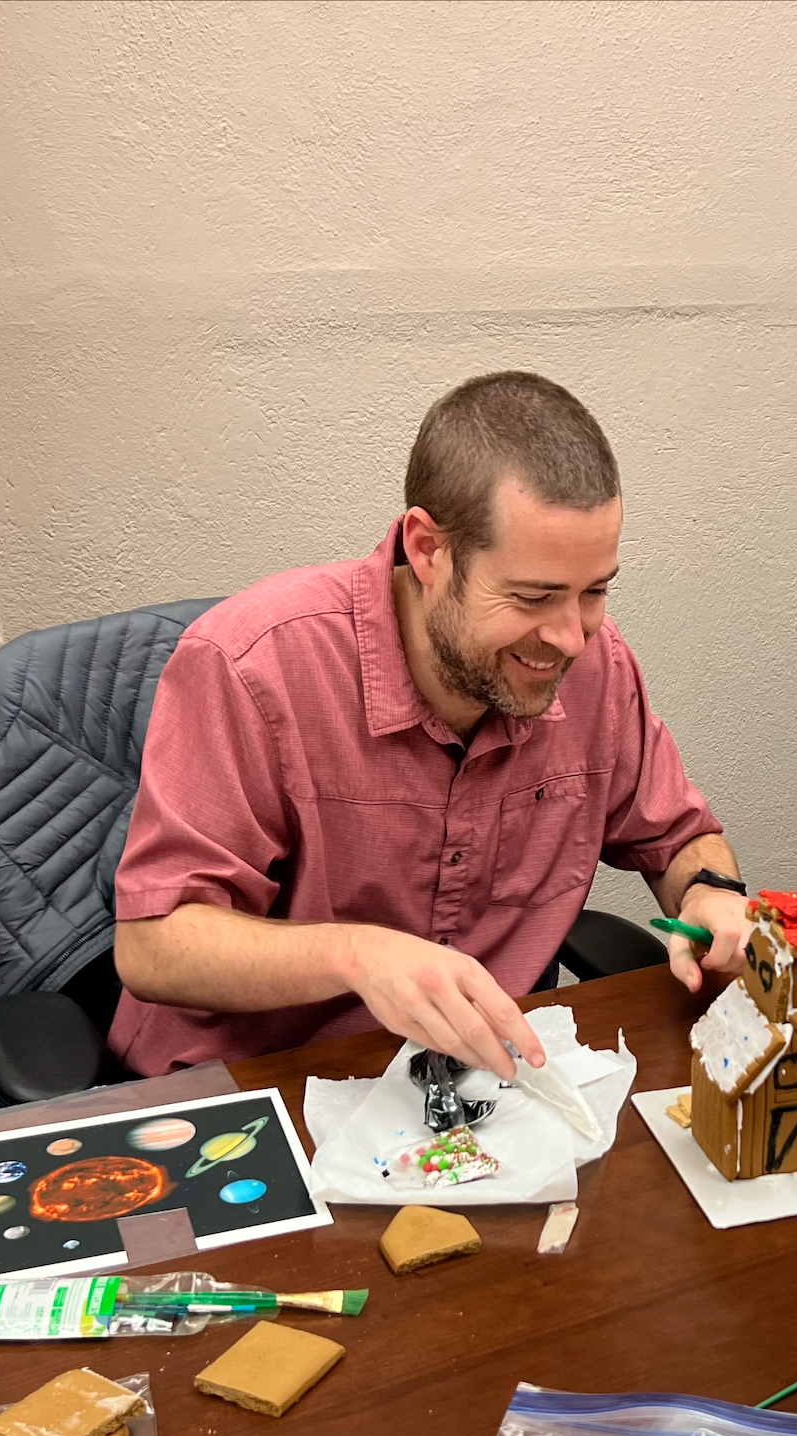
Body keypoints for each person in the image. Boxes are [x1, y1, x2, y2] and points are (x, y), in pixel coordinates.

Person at [110, 372, 756, 1079]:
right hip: (262, 1087)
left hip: (479, 1093)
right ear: (427, 549)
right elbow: (154, 944)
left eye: (595, 591)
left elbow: (679, 838)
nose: (572, 636)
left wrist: (711, 898)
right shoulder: (253, 666)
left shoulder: (595, 667)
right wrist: (359, 956)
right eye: (534, 595)